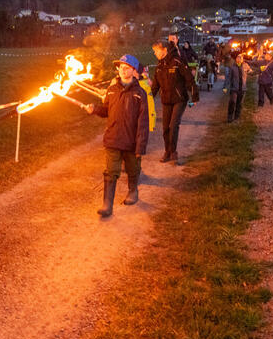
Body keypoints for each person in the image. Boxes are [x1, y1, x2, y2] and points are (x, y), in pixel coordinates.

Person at [84, 55, 149, 217]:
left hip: (131, 141)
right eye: (120, 67)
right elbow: (106, 110)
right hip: (113, 138)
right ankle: (107, 205)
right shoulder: (112, 90)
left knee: (133, 169)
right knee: (110, 171)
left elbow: (143, 123)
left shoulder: (140, 94)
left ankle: (133, 191)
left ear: (134, 71)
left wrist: (140, 146)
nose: (122, 70)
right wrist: (95, 109)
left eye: (126, 67)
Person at [150, 40, 195, 164]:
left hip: (179, 99)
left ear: (164, 50)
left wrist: (194, 96)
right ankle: (167, 152)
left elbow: (189, 79)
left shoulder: (177, 62)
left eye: (156, 51)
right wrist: (146, 98)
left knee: (173, 125)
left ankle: (173, 151)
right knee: (165, 128)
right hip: (166, 100)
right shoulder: (159, 67)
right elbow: (154, 87)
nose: (154, 54)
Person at [223, 53, 252, 122]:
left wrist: (260, 70)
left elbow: (252, 73)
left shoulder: (245, 66)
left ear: (242, 59)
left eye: (240, 58)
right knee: (232, 102)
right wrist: (225, 87)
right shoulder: (232, 67)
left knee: (239, 104)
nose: (238, 59)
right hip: (234, 89)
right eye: (237, 58)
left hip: (242, 89)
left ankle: (236, 118)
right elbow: (228, 78)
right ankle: (230, 117)